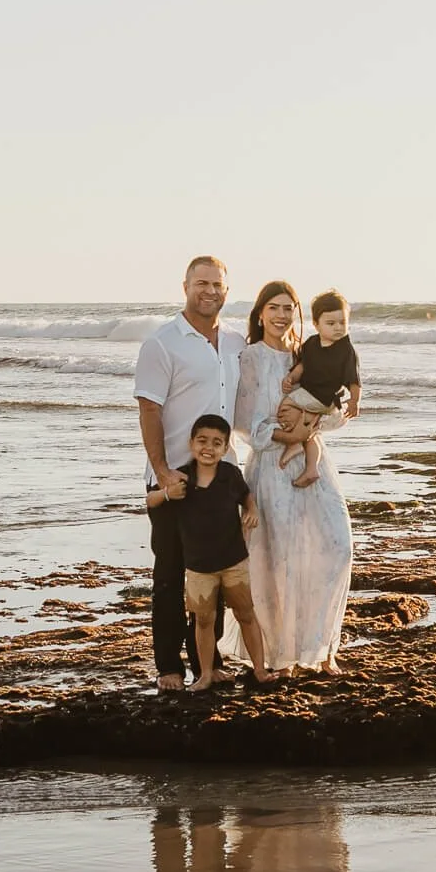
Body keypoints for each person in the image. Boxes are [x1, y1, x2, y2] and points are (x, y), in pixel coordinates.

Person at [135, 256, 245, 691]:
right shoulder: (162, 342)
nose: (209, 291)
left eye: (217, 284)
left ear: (226, 291)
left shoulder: (237, 343)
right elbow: (149, 408)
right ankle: (168, 667)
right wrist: (162, 472)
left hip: (219, 478)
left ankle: (209, 661)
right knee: (171, 575)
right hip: (175, 479)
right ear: (185, 286)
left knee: (213, 576)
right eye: (201, 283)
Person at [233, 281, 354, 674]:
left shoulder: (311, 352)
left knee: (336, 548)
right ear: (261, 313)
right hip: (272, 468)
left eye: (290, 308)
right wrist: (290, 435)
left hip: (313, 463)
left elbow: (335, 409)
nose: (283, 315)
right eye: (275, 307)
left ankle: (322, 648)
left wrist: (316, 425)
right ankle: (281, 655)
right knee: (279, 560)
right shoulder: (248, 358)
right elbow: (246, 424)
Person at [146, 414, 268, 692]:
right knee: (204, 620)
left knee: (246, 613)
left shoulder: (229, 475)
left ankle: (260, 671)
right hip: (199, 568)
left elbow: (245, 495)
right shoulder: (182, 478)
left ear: (226, 448)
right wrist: (167, 493)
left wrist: (252, 509)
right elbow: (150, 500)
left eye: (217, 443)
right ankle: (204, 675)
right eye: (202, 441)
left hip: (234, 562)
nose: (208, 448)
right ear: (191, 443)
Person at [278, 291, 361, 489]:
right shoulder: (312, 344)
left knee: (286, 405)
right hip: (312, 395)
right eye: (331, 323)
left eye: (343, 322)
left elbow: (354, 380)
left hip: (324, 398)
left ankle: (294, 443)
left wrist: (355, 401)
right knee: (311, 431)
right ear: (316, 324)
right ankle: (311, 468)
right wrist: (292, 377)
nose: (338, 328)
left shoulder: (346, 350)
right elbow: (302, 366)